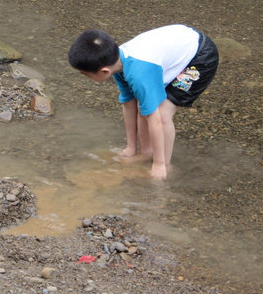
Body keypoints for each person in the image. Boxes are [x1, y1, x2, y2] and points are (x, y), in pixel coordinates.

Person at [68, 24, 219, 179]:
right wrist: (130, 147)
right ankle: (145, 152)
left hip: (200, 58)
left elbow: (156, 120)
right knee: (143, 104)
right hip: (181, 46)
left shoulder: (139, 73)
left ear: (104, 71)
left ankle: (165, 165)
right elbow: (128, 103)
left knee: (162, 112)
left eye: (85, 74)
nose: (86, 78)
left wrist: (158, 164)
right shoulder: (118, 61)